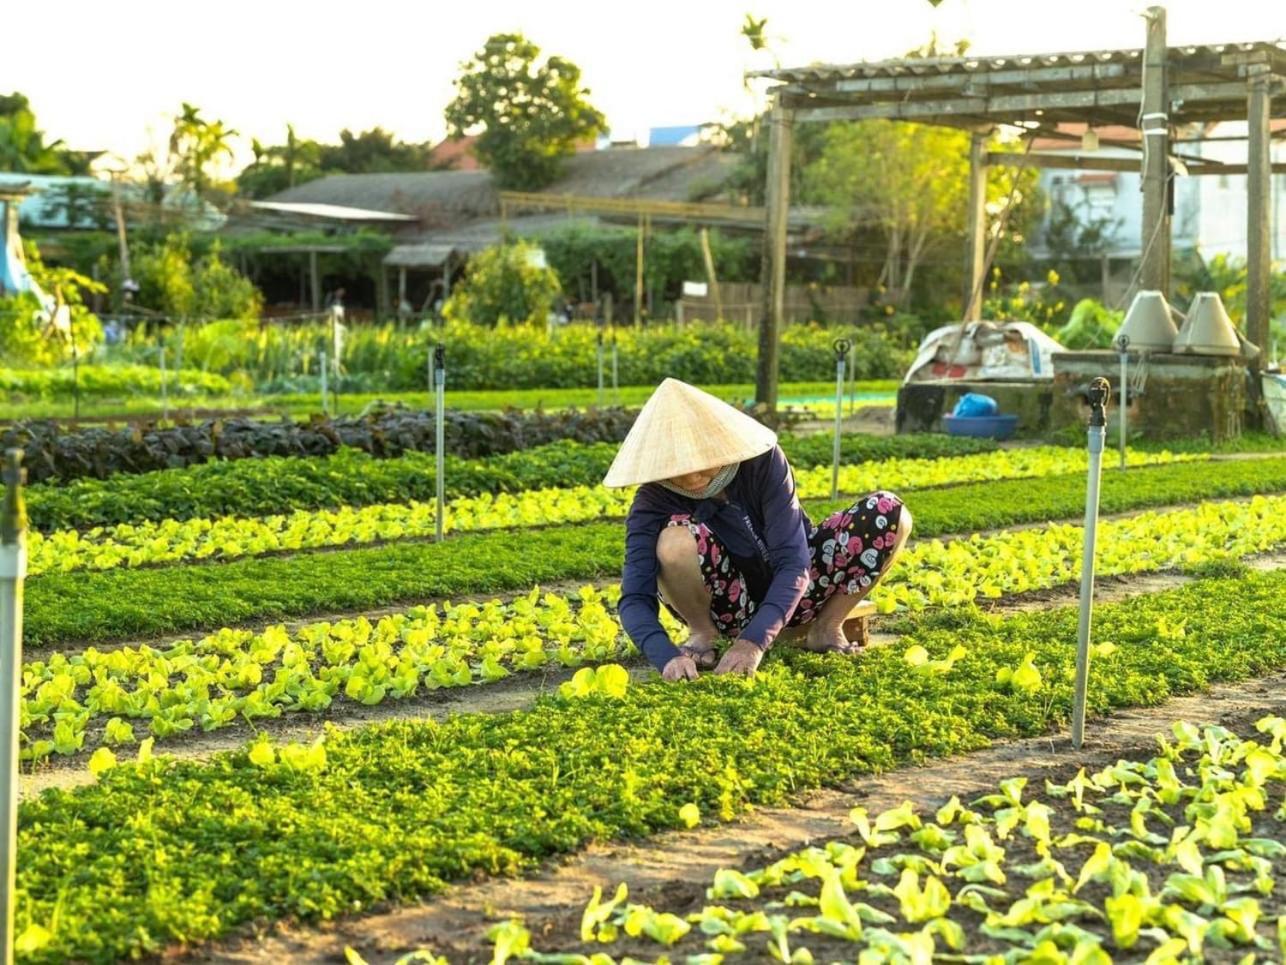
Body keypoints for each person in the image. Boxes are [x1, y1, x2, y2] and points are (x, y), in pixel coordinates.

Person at [606, 378, 912, 682]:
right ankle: (704, 634)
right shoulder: (652, 499)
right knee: (673, 543)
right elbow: (634, 596)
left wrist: (753, 643)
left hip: (803, 590)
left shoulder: (762, 462)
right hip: (727, 608)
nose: (693, 476)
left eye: (703, 460)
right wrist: (665, 656)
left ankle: (827, 626)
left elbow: (794, 563)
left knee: (889, 511)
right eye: (677, 467)